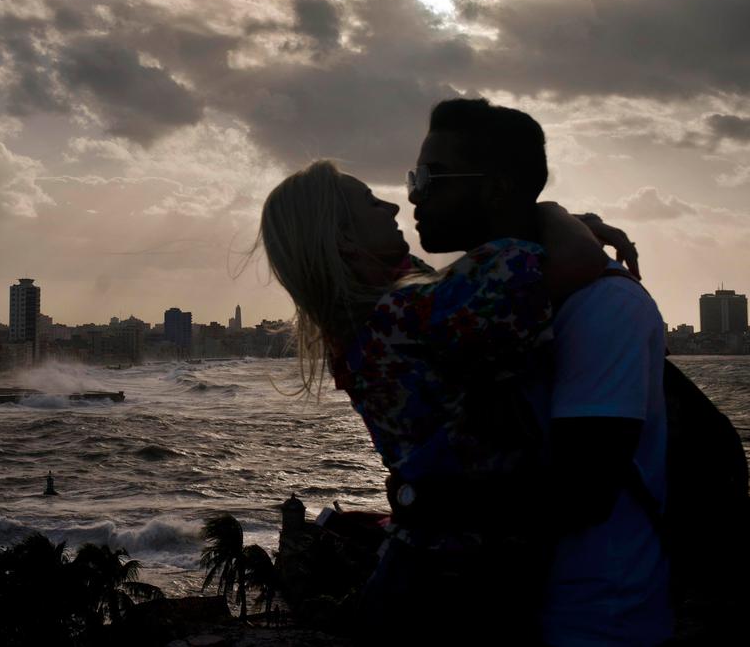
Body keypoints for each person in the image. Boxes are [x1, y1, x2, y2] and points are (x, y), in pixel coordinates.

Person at [259, 159, 610, 644]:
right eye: (367, 201)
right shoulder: (407, 314)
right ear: (343, 237)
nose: (390, 203)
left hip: (428, 572)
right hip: (457, 591)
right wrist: (546, 210)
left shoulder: (376, 315)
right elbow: (577, 262)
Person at [411, 98, 671, 646]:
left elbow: (584, 490)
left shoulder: (601, 305)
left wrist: (425, 500)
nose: (413, 195)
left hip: (595, 617)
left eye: (430, 177)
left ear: (497, 187)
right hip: (518, 608)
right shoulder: (487, 301)